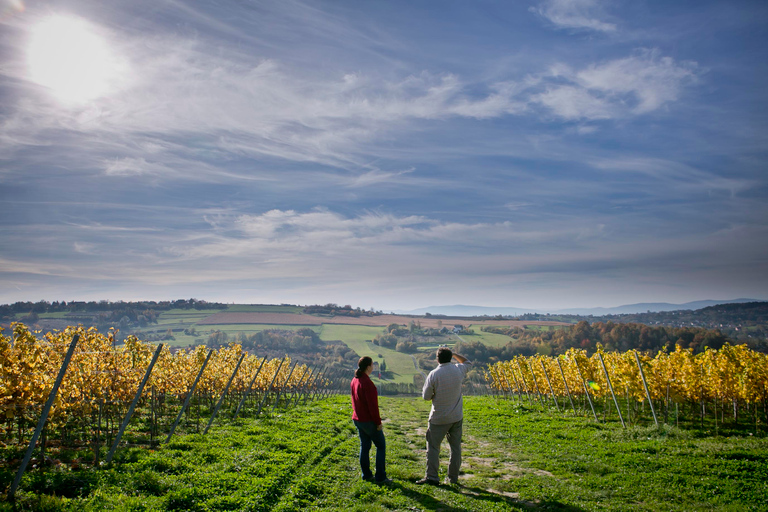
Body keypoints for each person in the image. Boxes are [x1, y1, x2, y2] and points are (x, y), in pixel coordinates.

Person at [417, 346, 471, 486]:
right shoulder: (458, 370)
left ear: (437, 359)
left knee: (433, 448)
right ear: (450, 357)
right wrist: (454, 354)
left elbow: (426, 397)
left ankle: (432, 477)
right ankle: (453, 478)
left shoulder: (434, 374)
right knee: (455, 448)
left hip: (438, 418)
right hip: (456, 417)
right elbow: (468, 363)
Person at [350, 356, 391, 484]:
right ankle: (380, 476)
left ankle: (366, 474)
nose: (373, 367)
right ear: (368, 367)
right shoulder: (368, 384)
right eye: (372, 364)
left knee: (365, 446)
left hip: (358, 419)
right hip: (368, 421)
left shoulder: (355, 380)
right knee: (381, 446)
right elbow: (373, 407)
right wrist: (378, 423)